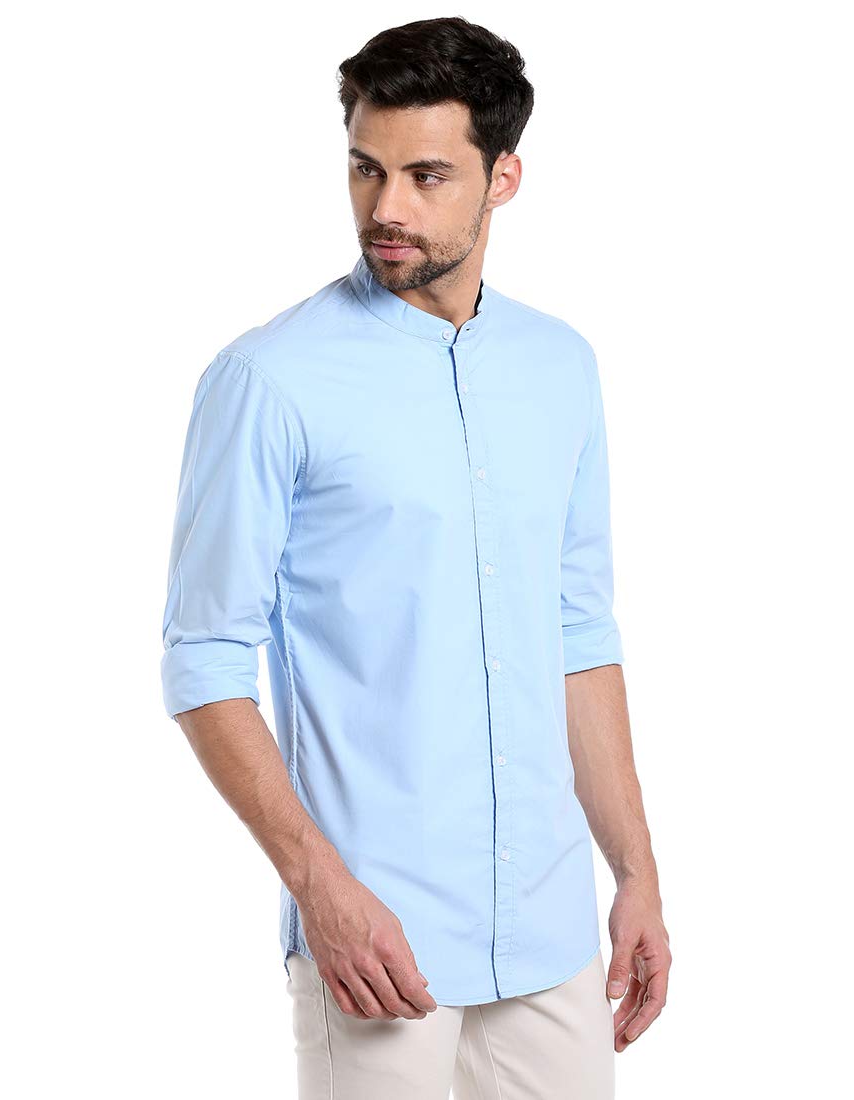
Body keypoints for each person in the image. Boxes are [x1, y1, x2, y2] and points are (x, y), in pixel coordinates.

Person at [159, 16, 670, 1099]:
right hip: (377, 939)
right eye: (365, 168)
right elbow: (204, 659)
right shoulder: (269, 380)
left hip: (550, 933)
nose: (385, 207)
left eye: (426, 175)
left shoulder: (561, 367)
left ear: (503, 178)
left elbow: (577, 631)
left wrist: (633, 870)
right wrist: (320, 888)